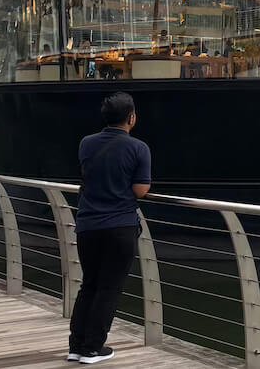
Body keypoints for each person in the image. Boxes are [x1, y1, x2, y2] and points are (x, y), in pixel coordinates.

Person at [69, 92, 151, 364]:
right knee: (109, 288)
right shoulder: (139, 148)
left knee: (89, 284)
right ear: (132, 117)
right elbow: (140, 190)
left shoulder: (86, 143)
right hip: (120, 226)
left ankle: (76, 345)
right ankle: (93, 348)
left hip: (87, 224)